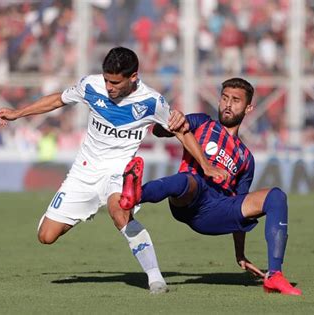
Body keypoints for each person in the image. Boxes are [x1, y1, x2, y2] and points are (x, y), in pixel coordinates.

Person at [0, 46, 226, 294]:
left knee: (120, 212)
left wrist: (205, 164)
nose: (109, 87)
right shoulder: (91, 86)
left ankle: (155, 277)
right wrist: (18, 113)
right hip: (84, 172)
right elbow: (57, 100)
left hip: (119, 171)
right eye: (106, 80)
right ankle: (84, 207)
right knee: (46, 236)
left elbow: (181, 131)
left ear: (133, 77)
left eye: (115, 82)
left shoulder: (151, 101)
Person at [119, 77, 302, 296]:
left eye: (235, 100)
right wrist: (169, 122)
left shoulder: (246, 158)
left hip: (217, 211)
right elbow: (161, 131)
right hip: (190, 198)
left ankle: (275, 275)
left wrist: (240, 254)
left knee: (276, 197)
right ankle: (134, 195)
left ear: (249, 107)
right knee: (188, 179)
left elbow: (240, 207)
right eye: (224, 98)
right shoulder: (203, 123)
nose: (227, 104)